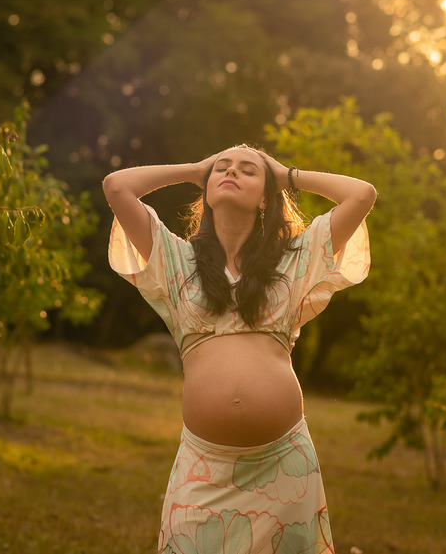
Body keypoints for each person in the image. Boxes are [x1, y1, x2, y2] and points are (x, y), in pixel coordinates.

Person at [103, 144, 376, 553]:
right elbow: (117, 186)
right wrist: (196, 167)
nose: (231, 172)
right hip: (202, 468)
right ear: (206, 186)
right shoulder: (176, 259)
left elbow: (362, 194)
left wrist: (286, 175)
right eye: (222, 168)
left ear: (266, 195)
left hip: (284, 466)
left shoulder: (293, 262)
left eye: (248, 171)